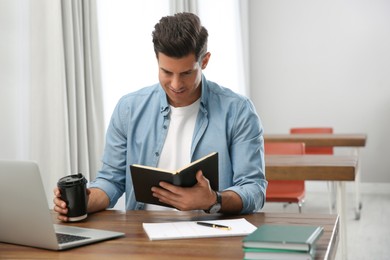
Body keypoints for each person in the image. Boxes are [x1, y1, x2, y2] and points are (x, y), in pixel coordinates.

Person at [54, 12, 267, 222]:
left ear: (205, 61)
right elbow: (111, 180)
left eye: (186, 73)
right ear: (156, 60)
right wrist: (84, 201)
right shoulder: (129, 109)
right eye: (166, 72)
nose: (176, 84)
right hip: (142, 237)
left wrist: (213, 199)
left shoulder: (239, 111)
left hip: (212, 236)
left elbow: (254, 190)